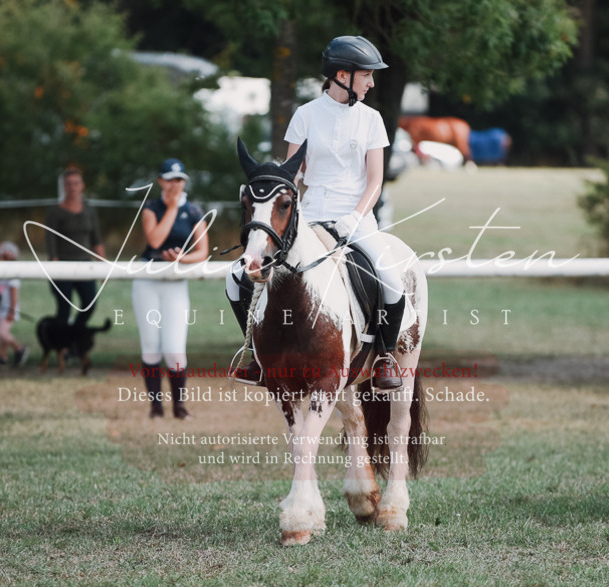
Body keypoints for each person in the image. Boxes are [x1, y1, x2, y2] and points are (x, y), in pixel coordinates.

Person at [228, 34, 405, 390]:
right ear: (342, 75)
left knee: (391, 279)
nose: (371, 82)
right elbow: (292, 175)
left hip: (356, 218)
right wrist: (270, 200)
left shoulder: (371, 119)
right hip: (310, 217)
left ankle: (385, 357)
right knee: (236, 276)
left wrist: (356, 216)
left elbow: (375, 181)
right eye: (366, 75)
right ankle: (257, 353)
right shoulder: (305, 115)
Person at [132, 158, 209, 419]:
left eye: (179, 179)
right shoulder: (151, 207)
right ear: (160, 181)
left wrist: (181, 259)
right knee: (151, 345)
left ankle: (180, 407)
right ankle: (156, 407)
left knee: (175, 348)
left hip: (175, 282)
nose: (175, 184)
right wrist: (173, 208)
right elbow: (155, 240)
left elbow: (202, 251)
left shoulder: (194, 210)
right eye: (169, 179)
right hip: (148, 280)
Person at [45, 166, 106, 326]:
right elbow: (51, 242)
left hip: (84, 263)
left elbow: (96, 239)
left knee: (89, 304)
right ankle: (61, 340)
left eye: (76, 183)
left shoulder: (89, 211)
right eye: (69, 184)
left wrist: (103, 267)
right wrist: (55, 266)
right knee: (64, 308)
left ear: (82, 185)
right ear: (64, 186)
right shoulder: (55, 212)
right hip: (62, 264)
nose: (72, 187)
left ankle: (75, 334)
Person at [0, 241, 29, 370]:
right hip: (1, 309)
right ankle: (3, 357)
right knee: (1, 336)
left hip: (8, 310)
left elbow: (14, 294)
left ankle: (19, 349)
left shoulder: (12, 275)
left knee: (3, 333)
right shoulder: (1, 274)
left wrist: (12, 311)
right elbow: (0, 290)